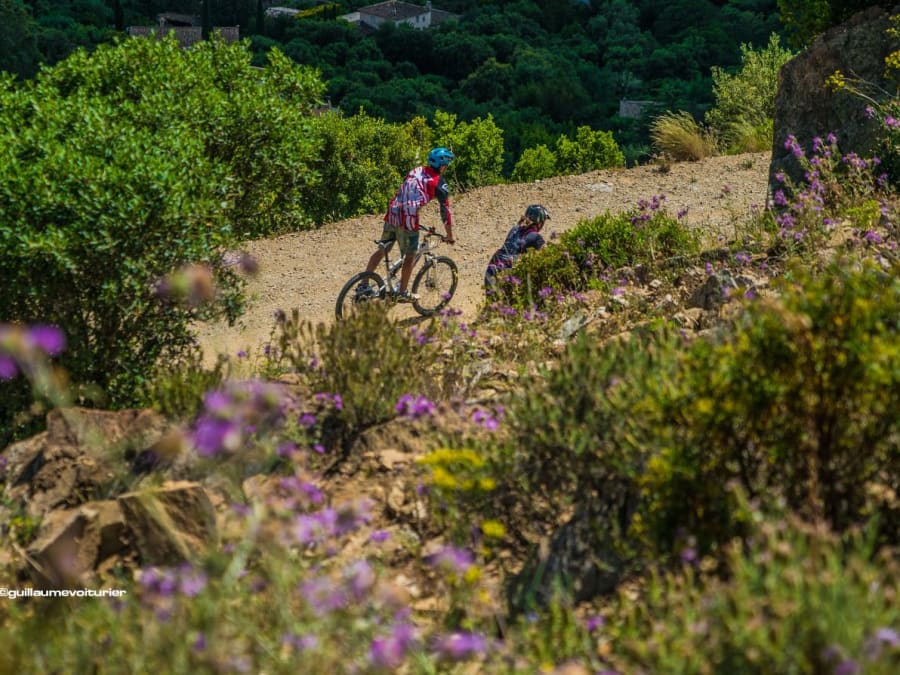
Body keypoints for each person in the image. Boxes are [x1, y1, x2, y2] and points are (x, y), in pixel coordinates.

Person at [357, 147, 456, 302]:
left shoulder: (416, 170)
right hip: (408, 219)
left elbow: (409, 192)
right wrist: (449, 235)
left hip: (393, 212)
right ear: (442, 164)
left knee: (382, 249)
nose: (447, 166)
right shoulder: (439, 183)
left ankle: (363, 285)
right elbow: (446, 211)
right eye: (447, 163)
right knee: (410, 255)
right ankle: (402, 292)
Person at [484, 205, 550, 291]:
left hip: (493, 266)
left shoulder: (514, 229)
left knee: (492, 301)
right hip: (507, 271)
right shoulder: (536, 237)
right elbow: (546, 256)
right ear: (540, 222)